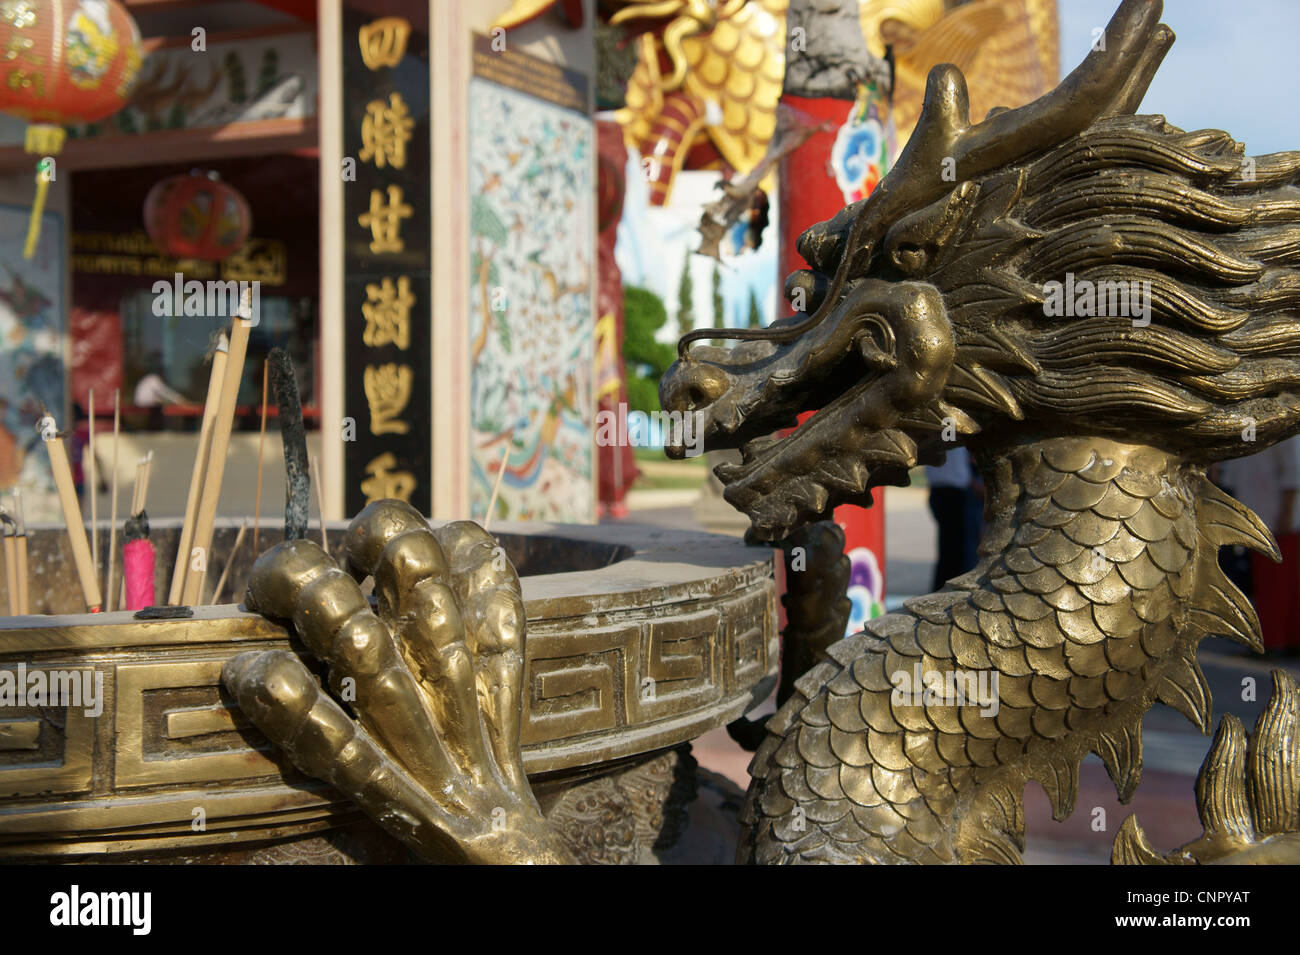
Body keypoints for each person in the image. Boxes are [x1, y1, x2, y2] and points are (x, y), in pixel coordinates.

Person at [1220, 437, 1300, 655]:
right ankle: (1289, 640)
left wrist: (1287, 511)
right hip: (1258, 513)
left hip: (1275, 517)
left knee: (1275, 584)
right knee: (1276, 583)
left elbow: (1292, 471)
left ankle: (1272, 642)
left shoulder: (1286, 426)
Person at [925, 446, 982, 590]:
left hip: (945, 490)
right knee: (959, 552)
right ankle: (952, 591)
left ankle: (942, 590)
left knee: (950, 550)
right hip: (954, 492)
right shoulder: (950, 432)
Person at [133, 353, 186, 431]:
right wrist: (178, 399)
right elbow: (164, 392)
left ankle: (156, 429)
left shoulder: (149, 379)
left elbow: (160, 394)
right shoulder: (153, 379)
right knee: (160, 409)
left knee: (161, 405)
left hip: (144, 404)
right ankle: (158, 430)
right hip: (143, 405)